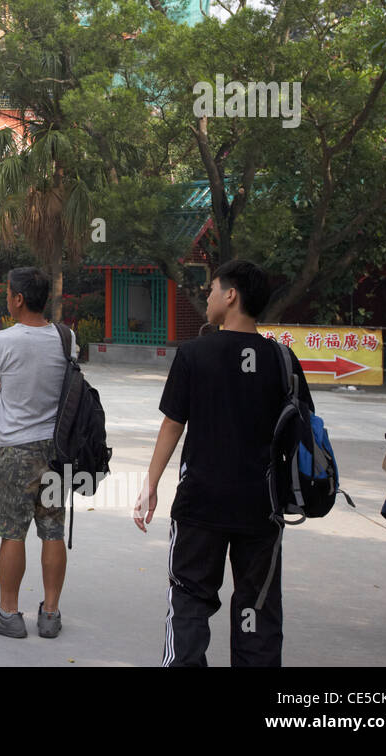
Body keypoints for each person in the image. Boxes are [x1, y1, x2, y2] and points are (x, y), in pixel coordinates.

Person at [134, 259, 313, 667]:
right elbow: (302, 431)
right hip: (261, 507)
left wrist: (151, 484)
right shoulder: (282, 360)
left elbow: (172, 424)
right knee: (258, 609)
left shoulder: (195, 354)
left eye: (213, 288)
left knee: (190, 599)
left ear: (231, 295)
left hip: (200, 503)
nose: (207, 295)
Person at [0, 268, 73, 640]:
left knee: (13, 534)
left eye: (8, 293)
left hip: (14, 452)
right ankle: (50, 613)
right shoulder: (66, 338)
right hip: (56, 451)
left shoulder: (2, 340)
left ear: (18, 299)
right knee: (52, 531)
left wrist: (4, 383)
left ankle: (9, 614)